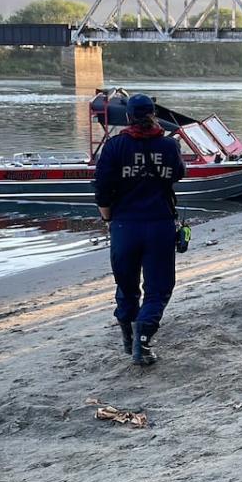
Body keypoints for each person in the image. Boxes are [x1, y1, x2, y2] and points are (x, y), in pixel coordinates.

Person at [95, 94, 186, 366]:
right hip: (159, 223)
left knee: (126, 285)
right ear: (153, 115)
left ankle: (127, 337)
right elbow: (178, 174)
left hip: (124, 225)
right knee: (158, 289)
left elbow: (101, 190)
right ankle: (142, 341)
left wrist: (109, 220)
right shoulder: (169, 145)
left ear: (128, 116)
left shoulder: (114, 146)